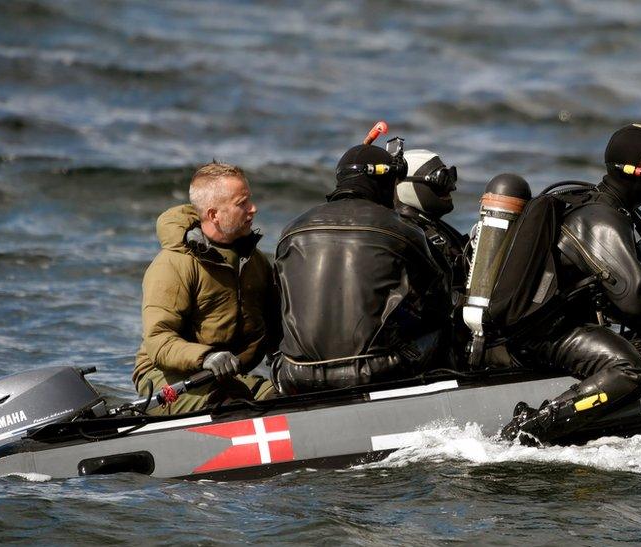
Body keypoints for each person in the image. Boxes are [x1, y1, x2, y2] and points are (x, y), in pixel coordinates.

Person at [500, 123, 641, 445]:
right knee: (628, 370)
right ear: (636, 173)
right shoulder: (599, 219)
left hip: (553, 326)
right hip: (543, 334)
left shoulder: (605, 210)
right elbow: (638, 300)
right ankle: (528, 432)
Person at [273, 142, 451, 394]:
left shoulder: (291, 230)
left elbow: (280, 303)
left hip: (293, 373)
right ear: (387, 184)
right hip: (373, 372)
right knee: (448, 327)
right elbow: (439, 303)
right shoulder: (403, 230)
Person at [134, 162, 279, 414]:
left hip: (229, 379)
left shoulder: (255, 261)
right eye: (242, 203)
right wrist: (206, 357)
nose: (253, 209)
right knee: (236, 408)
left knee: (288, 397)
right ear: (214, 215)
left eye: (250, 200)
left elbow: (277, 327)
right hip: (167, 380)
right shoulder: (173, 264)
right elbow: (159, 341)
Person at [395, 149, 469, 364]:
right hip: (428, 350)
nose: (452, 187)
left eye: (451, 177)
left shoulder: (435, 227)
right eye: (441, 180)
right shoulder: (405, 235)